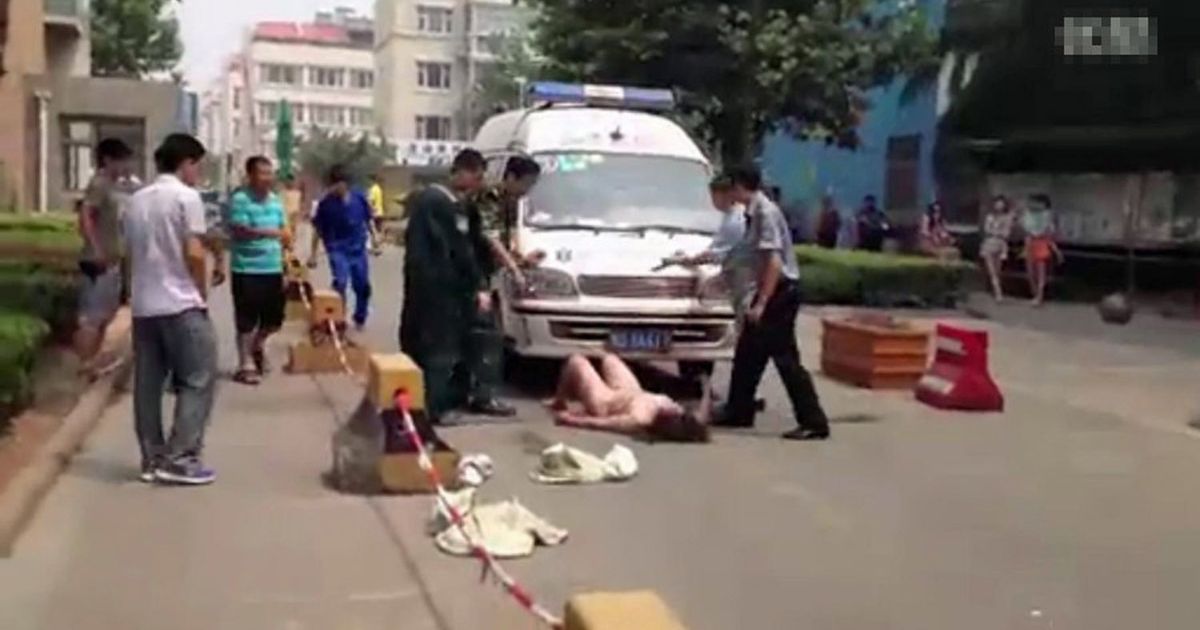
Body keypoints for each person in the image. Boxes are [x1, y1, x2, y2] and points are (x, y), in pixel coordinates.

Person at [123, 133, 222, 485]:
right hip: (180, 303)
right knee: (198, 378)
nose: (199, 173)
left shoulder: (136, 201)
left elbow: (129, 254)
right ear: (187, 163)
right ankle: (181, 456)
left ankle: (152, 458)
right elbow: (194, 252)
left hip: (145, 306)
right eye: (198, 165)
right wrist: (201, 292)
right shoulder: (186, 197)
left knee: (148, 385)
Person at [714, 165, 831, 441]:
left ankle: (813, 421)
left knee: (786, 359)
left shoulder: (765, 212)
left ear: (741, 185)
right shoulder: (752, 213)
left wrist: (762, 303)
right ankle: (738, 409)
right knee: (748, 353)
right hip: (771, 291)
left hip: (778, 293)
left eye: (731, 186)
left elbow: (774, 261)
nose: (729, 193)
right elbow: (745, 254)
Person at [400, 149, 506, 423]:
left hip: (419, 285)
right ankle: (435, 409)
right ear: (463, 172)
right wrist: (477, 285)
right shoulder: (445, 203)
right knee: (440, 349)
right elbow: (461, 250)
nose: (478, 184)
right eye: (477, 177)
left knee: (420, 344)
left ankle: (420, 403)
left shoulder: (426, 200)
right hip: (440, 289)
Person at [73, 138, 134, 379]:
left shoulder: (113, 186)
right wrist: (96, 248)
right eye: (122, 160)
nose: (125, 165)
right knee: (91, 316)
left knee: (104, 314)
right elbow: (86, 216)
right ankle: (85, 364)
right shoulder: (99, 184)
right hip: (98, 259)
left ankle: (92, 363)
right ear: (108, 159)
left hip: (112, 259)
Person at [546, 354, 710, 443]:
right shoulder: (675, 411)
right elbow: (701, 416)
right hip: (631, 392)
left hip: (605, 403)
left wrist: (571, 420)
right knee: (610, 359)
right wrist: (706, 385)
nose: (678, 407)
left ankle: (559, 401)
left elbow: (603, 424)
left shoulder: (640, 419)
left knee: (576, 361)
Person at [227, 156, 288, 385]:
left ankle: (258, 344)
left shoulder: (275, 200)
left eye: (270, 173)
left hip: (272, 267)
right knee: (246, 318)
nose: (267, 178)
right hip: (247, 267)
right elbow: (239, 229)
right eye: (262, 173)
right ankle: (246, 364)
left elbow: (283, 230)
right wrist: (268, 233)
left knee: (274, 319)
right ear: (251, 175)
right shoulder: (241, 200)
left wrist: (285, 262)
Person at [312, 165, 373, 329]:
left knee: (363, 285)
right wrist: (313, 254)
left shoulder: (359, 198)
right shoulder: (326, 204)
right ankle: (339, 316)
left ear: (346, 184)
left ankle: (360, 315)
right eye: (334, 184)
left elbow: (368, 220)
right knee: (340, 282)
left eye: (340, 184)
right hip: (337, 249)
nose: (336, 188)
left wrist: (376, 240)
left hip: (358, 249)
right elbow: (318, 229)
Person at [1022, 193, 1062, 306]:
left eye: (1037, 202)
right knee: (1030, 273)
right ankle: (1035, 294)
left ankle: (1039, 297)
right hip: (1029, 243)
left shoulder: (1047, 215)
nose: (1033, 204)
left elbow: (1050, 233)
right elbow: (1026, 230)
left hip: (1042, 243)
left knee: (1041, 273)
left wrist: (1055, 249)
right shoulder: (1027, 214)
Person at [980, 195, 1015, 301]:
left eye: (1001, 203)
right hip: (989, 244)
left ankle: (995, 290)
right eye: (997, 203)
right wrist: (997, 232)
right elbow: (987, 230)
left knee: (998, 270)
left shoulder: (1007, 217)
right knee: (992, 271)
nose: (999, 205)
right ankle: (998, 293)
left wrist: (999, 232)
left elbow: (1007, 233)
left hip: (1001, 245)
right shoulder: (990, 217)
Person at [367, 173, 386, 255]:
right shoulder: (379, 189)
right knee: (378, 230)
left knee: (373, 230)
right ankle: (379, 247)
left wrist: (370, 209)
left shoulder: (372, 189)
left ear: (372, 180)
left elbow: (370, 201)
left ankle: (375, 247)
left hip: (374, 213)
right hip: (380, 212)